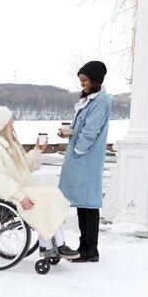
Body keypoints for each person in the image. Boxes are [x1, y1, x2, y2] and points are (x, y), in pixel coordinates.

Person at [0, 106, 79, 260]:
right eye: (9, 120)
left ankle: (51, 246)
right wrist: (20, 196)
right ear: (1, 124)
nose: (12, 122)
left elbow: (24, 166)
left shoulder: (10, 144)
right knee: (44, 197)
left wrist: (38, 150)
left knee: (53, 192)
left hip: (22, 186)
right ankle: (56, 246)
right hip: (8, 193)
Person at [58, 61, 111, 263]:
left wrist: (78, 150)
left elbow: (90, 131)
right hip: (81, 158)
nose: (82, 84)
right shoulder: (90, 100)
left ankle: (91, 250)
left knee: (89, 205)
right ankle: (85, 247)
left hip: (86, 159)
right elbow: (82, 127)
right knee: (83, 204)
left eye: (85, 80)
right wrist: (68, 133)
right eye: (81, 81)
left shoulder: (100, 101)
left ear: (95, 80)